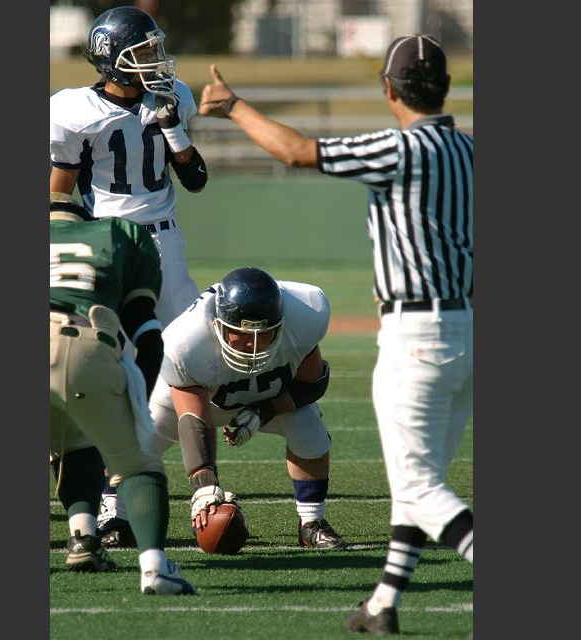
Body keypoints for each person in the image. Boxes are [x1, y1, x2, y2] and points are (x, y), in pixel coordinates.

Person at [199, 35, 473, 635]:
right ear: (446, 87)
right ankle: (384, 602)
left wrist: (234, 106)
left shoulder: (402, 148)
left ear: (388, 88)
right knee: (416, 482)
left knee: (421, 486)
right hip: (466, 328)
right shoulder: (468, 150)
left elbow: (297, 151)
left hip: (418, 333)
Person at [50, 5, 208, 542]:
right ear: (111, 61)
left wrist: (174, 129)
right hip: (109, 241)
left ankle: (200, 479)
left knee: (186, 357)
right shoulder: (75, 110)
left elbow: (196, 180)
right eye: (143, 52)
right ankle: (111, 490)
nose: (156, 59)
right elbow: (59, 194)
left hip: (165, 241)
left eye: (155, 48)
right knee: (110, 362)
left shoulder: (173, 96)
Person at [119, 267, 347, 549]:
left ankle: (312, 523)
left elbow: (312, 385)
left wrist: (263, 412)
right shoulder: (185, 342)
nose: (252, 345)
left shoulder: (306, 313)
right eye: (240, 334)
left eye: (264, 334)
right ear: (218, 324)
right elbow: (193, 419)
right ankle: (113, 515)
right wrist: (204, 484)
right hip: (198, 399)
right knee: (135, 443)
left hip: (266, 398)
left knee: (308, 424)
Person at [49, 195, 195, 595]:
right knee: (137, 462)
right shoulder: (117, 232)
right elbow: (147, 334)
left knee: (75, 442)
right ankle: (155, 569)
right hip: (81, 344)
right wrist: (137, 408)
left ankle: (83, 537)